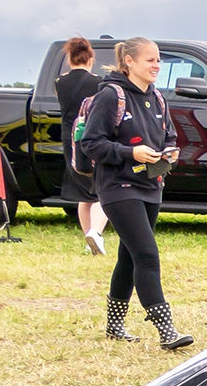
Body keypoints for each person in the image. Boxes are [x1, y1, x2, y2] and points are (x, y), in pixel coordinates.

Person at [80, 37, 193, 349]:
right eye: (150, 60)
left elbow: (168, 135)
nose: (156, 65)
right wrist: (131, 154)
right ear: (129, 62)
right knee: (146, 253)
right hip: (118, 186)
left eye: (158, 60)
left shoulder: (157, 98)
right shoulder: (110, 95)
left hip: (150, 185)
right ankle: (166, 329)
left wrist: (169, 151)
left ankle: (114, 325)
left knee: (129, 256)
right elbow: (91, 143)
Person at [54, 36, 109, 254]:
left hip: (70, 139)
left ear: (70, 57)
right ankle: (95, 232)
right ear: (90, 58)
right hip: (92, 137)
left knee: (82, 193)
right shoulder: (98, 82)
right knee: (102, 190)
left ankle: (89, 238)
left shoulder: (60, 82)